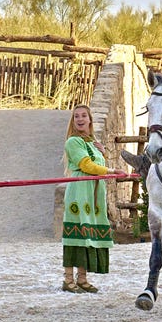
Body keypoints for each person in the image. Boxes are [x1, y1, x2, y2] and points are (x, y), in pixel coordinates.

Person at [61, 104, 125, 293]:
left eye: (83, 116)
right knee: (77, 229)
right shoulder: (73, 142)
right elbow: (86, 165)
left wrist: (103, 153)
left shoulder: (92, 142)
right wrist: (112, 171)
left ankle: (82, 278)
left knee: (87, 231)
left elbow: (96, 163)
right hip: (80, 189)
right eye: (76, 116)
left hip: (94, 192)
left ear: (90, 120)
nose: (80, 119)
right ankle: (67, 278)